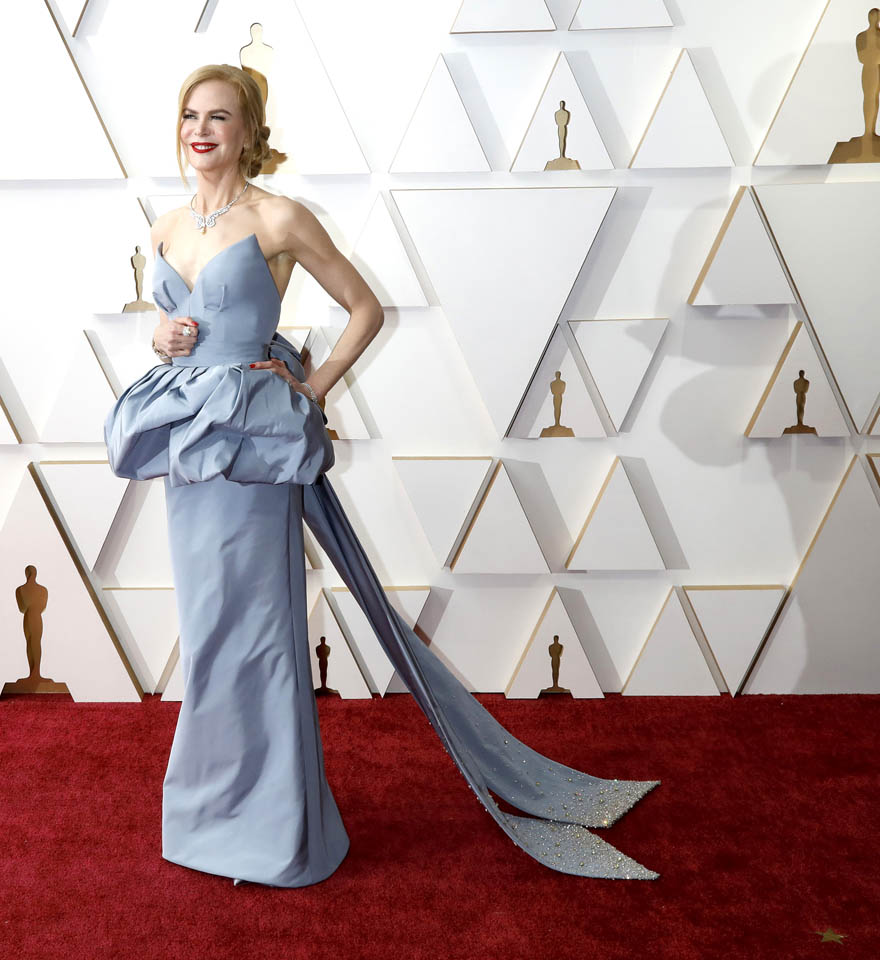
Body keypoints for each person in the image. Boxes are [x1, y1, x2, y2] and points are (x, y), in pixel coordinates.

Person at [104, 64, 660, 887]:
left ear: (248, 130)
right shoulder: (165, 226)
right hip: (191, 447)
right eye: (191, 115)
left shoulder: (279, 217)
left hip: (253, 450)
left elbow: (365, 308)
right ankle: (208, 818)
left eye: (219, 116)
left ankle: (273, 830)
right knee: (210, 632)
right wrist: (163, 341)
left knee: (258, 634)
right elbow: (170, 327)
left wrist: (314, 386)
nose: (201, 130)